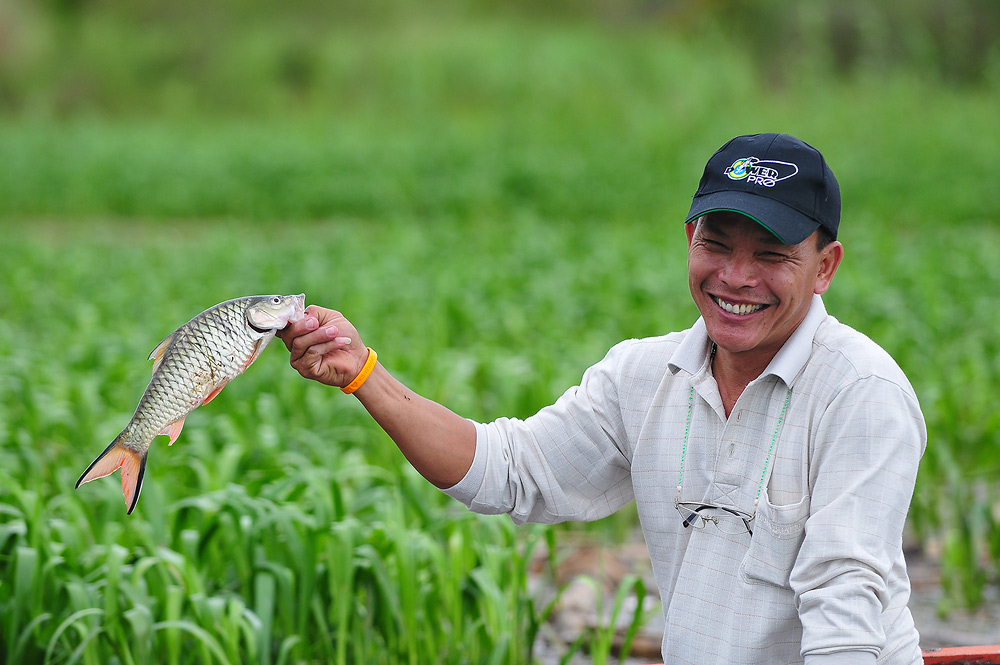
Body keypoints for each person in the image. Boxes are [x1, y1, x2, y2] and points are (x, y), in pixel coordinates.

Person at [280, 133, 926, 665]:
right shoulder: (646, 376)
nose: (735, 277)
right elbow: (511, 469)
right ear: (688, 238)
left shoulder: (860, 395)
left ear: (826, 266)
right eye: (717, 244)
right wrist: (364, 373)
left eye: (772, 255)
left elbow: (846, 624)